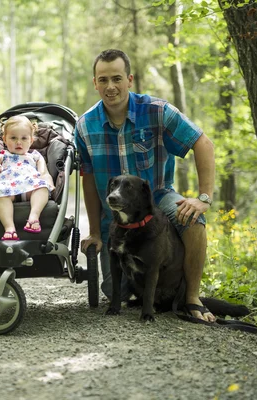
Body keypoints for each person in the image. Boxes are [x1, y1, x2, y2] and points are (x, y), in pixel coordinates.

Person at [74, 49, 216, 323]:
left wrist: (204, 198)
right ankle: (153, 290)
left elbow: (203, 144)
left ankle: (192, 297)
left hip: (158, 197)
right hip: (114, 214)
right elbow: (89, 181)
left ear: (129, 80)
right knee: (115, 291)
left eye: (117, 78)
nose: (110, 87)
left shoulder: (158, 111)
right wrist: (95, 232)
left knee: (194, 219)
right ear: (95, 83)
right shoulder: (84, 126)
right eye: (103, 80)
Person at [0, 115, 54, 240]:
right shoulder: (0, 157)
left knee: (42, 187)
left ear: (31, 140)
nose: (18, 142)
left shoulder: (36, 157)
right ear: (4, 139)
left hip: (30, 189)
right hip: (8, 190)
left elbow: (44, 174)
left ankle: (34, 216)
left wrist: (50, 185)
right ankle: (9, 228)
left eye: (24, 138)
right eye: (13, 138)